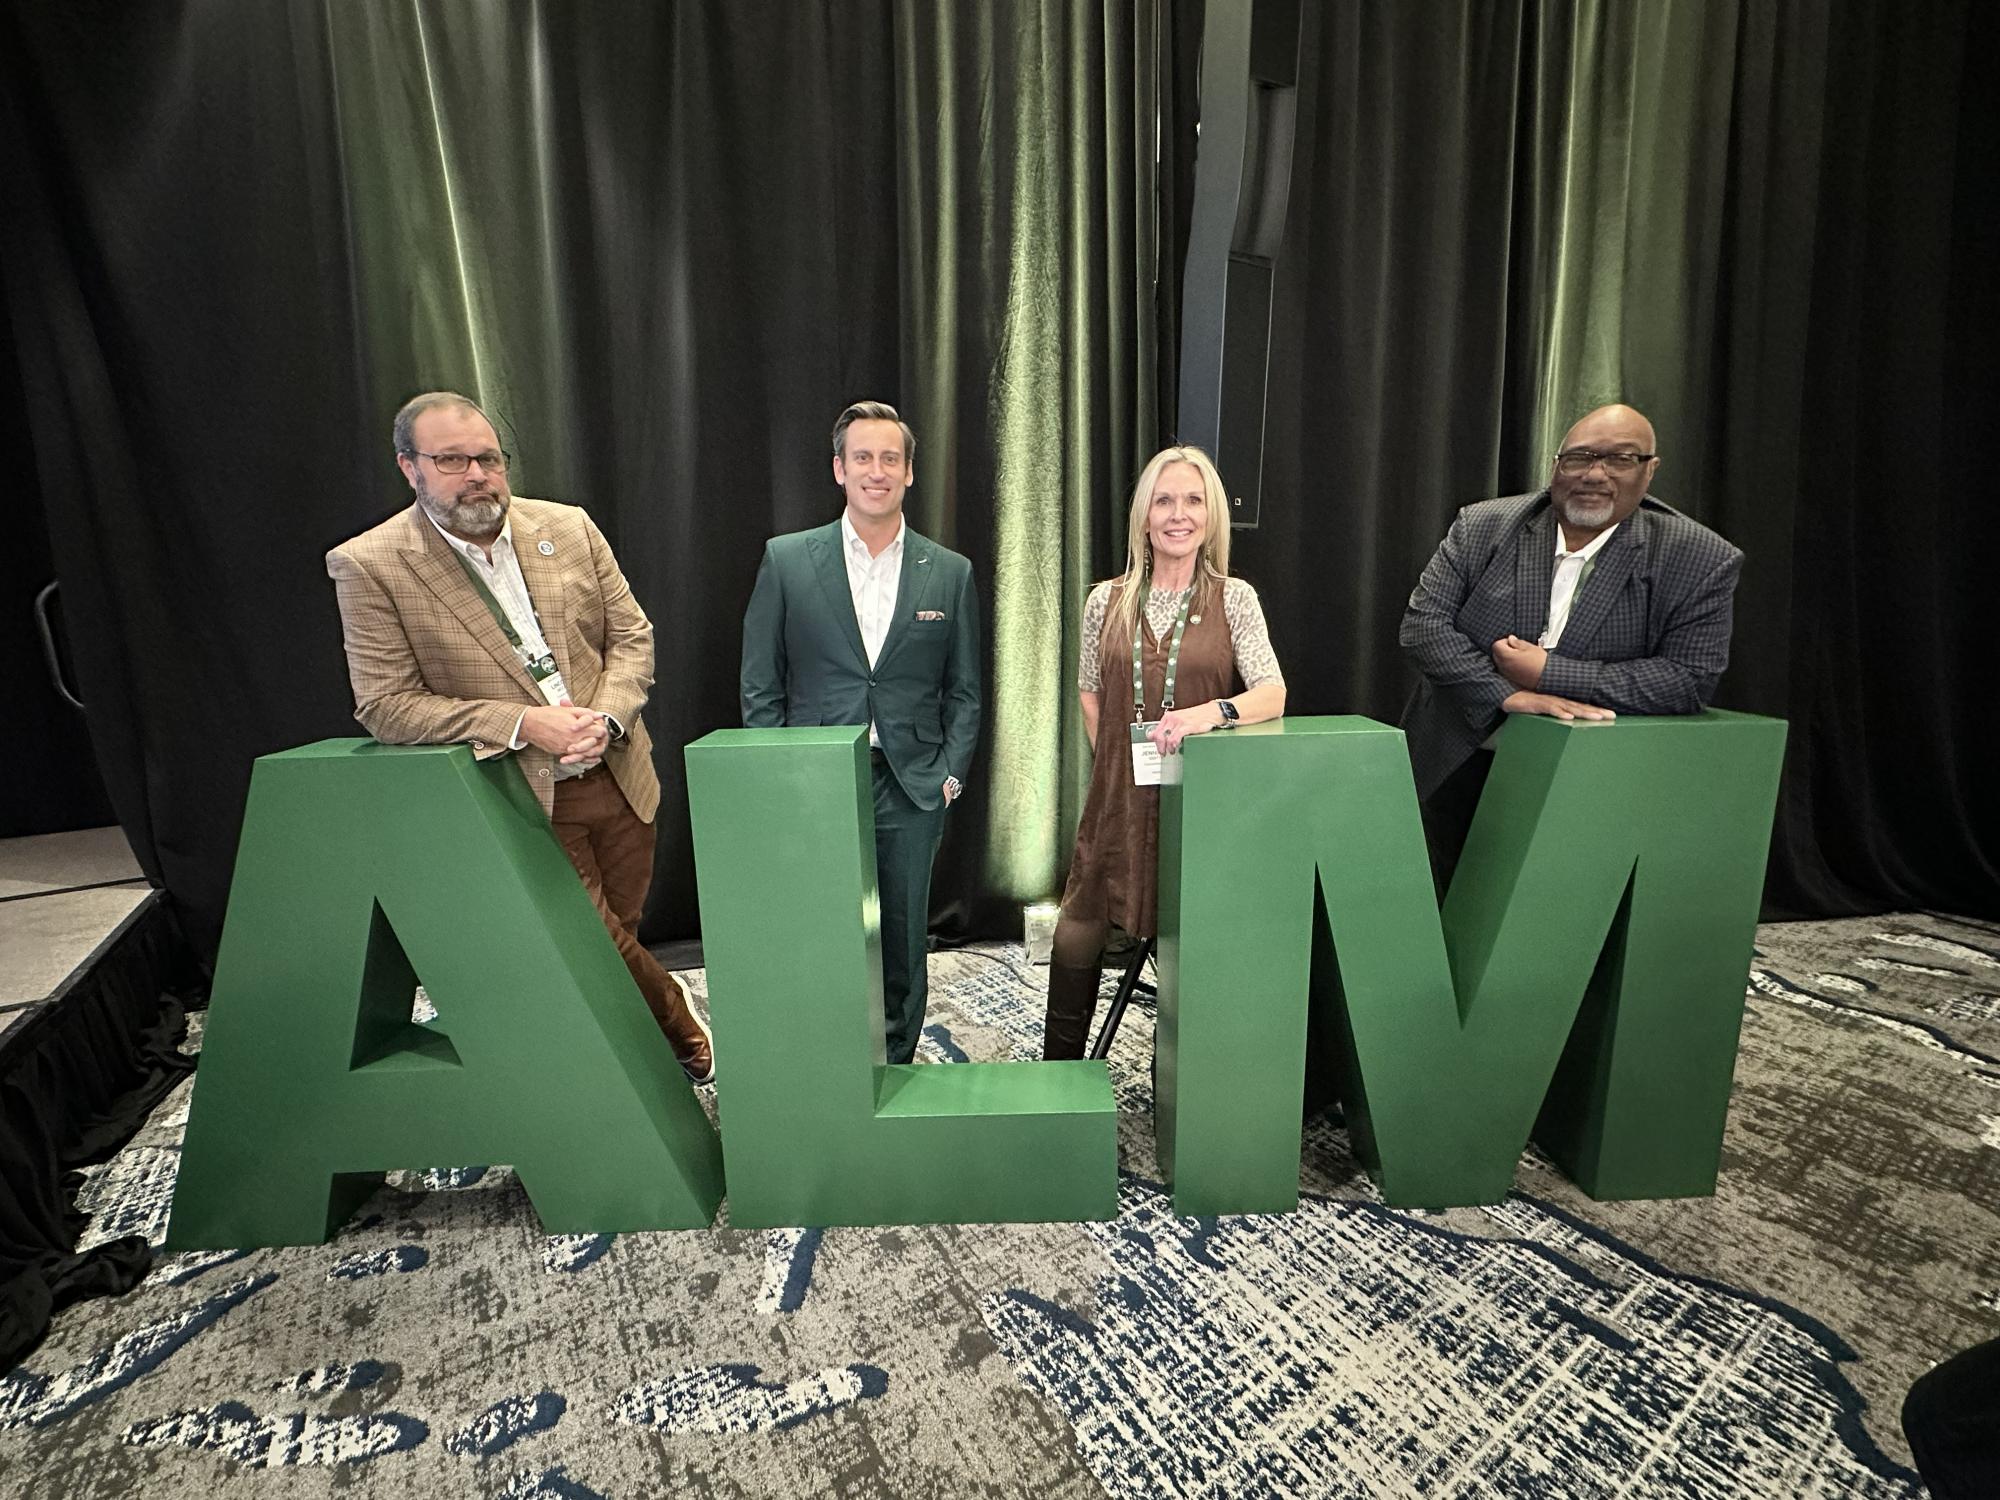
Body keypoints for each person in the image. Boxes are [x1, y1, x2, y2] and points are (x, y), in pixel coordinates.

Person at [325, 390, 714, 1083]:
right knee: (593, 945)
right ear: (409, 467)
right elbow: (385, 704)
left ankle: (615, 1057)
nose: (476, 474)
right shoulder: (370, 563)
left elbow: (632, 637)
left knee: (611, 940)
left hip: (622, 777)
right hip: (522, 796)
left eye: (488, 458)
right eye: (451, 460)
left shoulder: (567, 526)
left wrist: (608, 716)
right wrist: (522, 724)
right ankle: (678, 1028)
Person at [1398, 403, 1742, 890]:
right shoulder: (1483, 526)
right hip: (1459, 753)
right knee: (1430, 902)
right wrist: (1506, 694)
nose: (1595, 474)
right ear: (1556, 464)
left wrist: (1546, 673)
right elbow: (1422, 626)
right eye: (1579, 458)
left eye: (1620, 459)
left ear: (1650, 469)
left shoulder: (1700, 558)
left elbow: (1688, 680)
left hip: (1588, 775)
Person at [739, 400, 982, 1064]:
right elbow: (761, 683)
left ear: (909, 474)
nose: (878, 470)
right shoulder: (787, 561)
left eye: (891, 459)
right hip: (815, 780)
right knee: (819, 931)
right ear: (839, 469)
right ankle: (823, 1064)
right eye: (863, 457)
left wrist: (950, 775)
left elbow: (965, 691)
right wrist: (777, 772)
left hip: (912, 787)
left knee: (903, 939)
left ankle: (896, 1070)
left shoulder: (950, 572)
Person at [1042, 446, 1286, 1059]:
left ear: (1211, 517)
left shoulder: (1236, 599)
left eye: (1193, 500)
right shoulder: (1108, 599)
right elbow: (1091, 693)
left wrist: (1211, 713)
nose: (1179, 514)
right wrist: (1121, 766)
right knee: (1077, 933)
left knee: (1192, 948)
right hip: (1117, 798)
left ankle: (1180, 1080)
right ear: (1144, 515)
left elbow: (1273, 694)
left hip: (1200, 803)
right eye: (1165, 499)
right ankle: (1059, 1076)